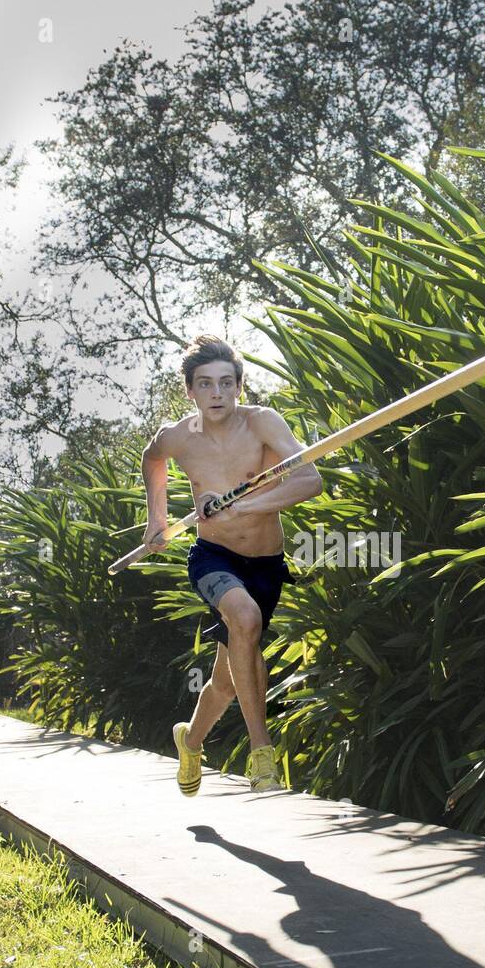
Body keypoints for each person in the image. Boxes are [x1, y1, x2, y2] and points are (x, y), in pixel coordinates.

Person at [141, 334, 322, 793]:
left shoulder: (263, 424)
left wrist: (244, 508)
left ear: (240, 386)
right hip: (214, 557)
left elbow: (309, 479)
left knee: (226, 679)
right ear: (190, 391)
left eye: (225, 383)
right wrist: (156, 519)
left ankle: (191, 741)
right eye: (205, 384)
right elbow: (152, 457)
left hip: (265, 563)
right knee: (244, 618)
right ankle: (262, 754)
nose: (216, 393)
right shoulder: (178, 437)